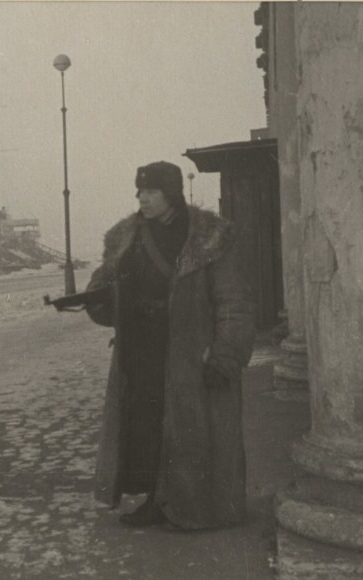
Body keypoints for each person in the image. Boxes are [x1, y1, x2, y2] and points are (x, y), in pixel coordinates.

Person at [84, 160, 256, 529]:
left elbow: (234, 302)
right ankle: (153, 501)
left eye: (150, 191)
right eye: (139, 191)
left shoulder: (210, 238)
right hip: (141, 350)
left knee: (189, 432)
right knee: (146, 427)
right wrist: (96, 299)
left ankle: (193, 505)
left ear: (171, 193)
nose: (141, 198)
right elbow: (108, 292)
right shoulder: (125, 239)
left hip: (191, 352)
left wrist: (226, 352)